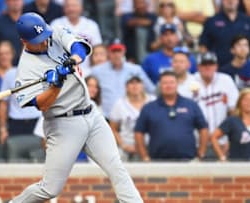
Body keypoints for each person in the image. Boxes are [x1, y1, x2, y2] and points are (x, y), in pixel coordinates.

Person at [9, 12, 143, 202]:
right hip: (63, 124)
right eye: (37, 40)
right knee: (50, 189)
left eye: (44, 36)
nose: (44, 42)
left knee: (116, 166)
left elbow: (79, 47)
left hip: (91, 113)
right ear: (24, 41)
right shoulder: (26, 70)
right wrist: (55, 85)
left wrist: (72, 60)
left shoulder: (54, 32)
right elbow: (42, 104)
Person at [135, 71, 209, 161]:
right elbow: (138, 132)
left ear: (177, 84)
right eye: (165, 83)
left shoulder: (191, 105)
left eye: (171, 82)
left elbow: (203, 129)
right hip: (157, 161)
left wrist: (201, 153)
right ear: (160, 85)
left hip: (188, 160)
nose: (168, 86)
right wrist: (144, 156)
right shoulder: (149, 107)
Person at [92, 40, 155, 119]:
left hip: (130, 118)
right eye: (114, 51)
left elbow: (151, 90)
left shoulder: (135, 69)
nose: (117, 55)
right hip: (105, 117)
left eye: (119, 51)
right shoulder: (97, 71)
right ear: (109, 53)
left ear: (124, 52)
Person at [193, 51, 239, 159]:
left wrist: (231, 139)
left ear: (216, 66)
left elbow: (234, 112)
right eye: (204, 64)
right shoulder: (191, 81)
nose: (208, 67)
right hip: (196, 142)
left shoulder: (226, 80)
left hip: (222, 141)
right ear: (198, 67)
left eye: (211, 64)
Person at [211, 88, 250, 161]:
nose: (249, 103)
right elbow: (214, 137)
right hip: (238, 167)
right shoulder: (232, 121)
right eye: (245, 100)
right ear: (240, 103)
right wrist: (221, 157)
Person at [109, 75, 155, 162]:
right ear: (126, 87)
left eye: (137, 83)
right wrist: (123, 145)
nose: (135, 86)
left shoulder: (153, 101)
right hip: (128, 148)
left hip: (151, 146)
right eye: (131, 83)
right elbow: (113, 129)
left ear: (143, 86)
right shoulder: (119, 104)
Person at [199, 0, 250, 66]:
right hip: (219, 69)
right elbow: (203, 46)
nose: (230, 1)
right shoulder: (211, 21)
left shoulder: (248, 21)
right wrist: (209, 65)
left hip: (244, 69)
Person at [0, 0, 23, 69]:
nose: (16, 2)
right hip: (4, 69)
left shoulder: (29, 21)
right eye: (12, 1)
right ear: (6, 2)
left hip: (26, 69)